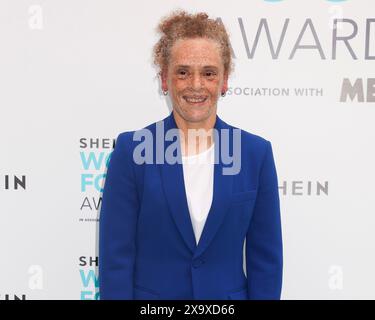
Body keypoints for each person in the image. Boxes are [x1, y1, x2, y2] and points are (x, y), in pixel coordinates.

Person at [99, 10, 283, 300]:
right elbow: (115, 261)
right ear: (164, 80)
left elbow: (266, 262)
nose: (196, 85)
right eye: (183, 72)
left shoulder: (254, 154)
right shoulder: (132, 151)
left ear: (224, 81)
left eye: (208, 73)